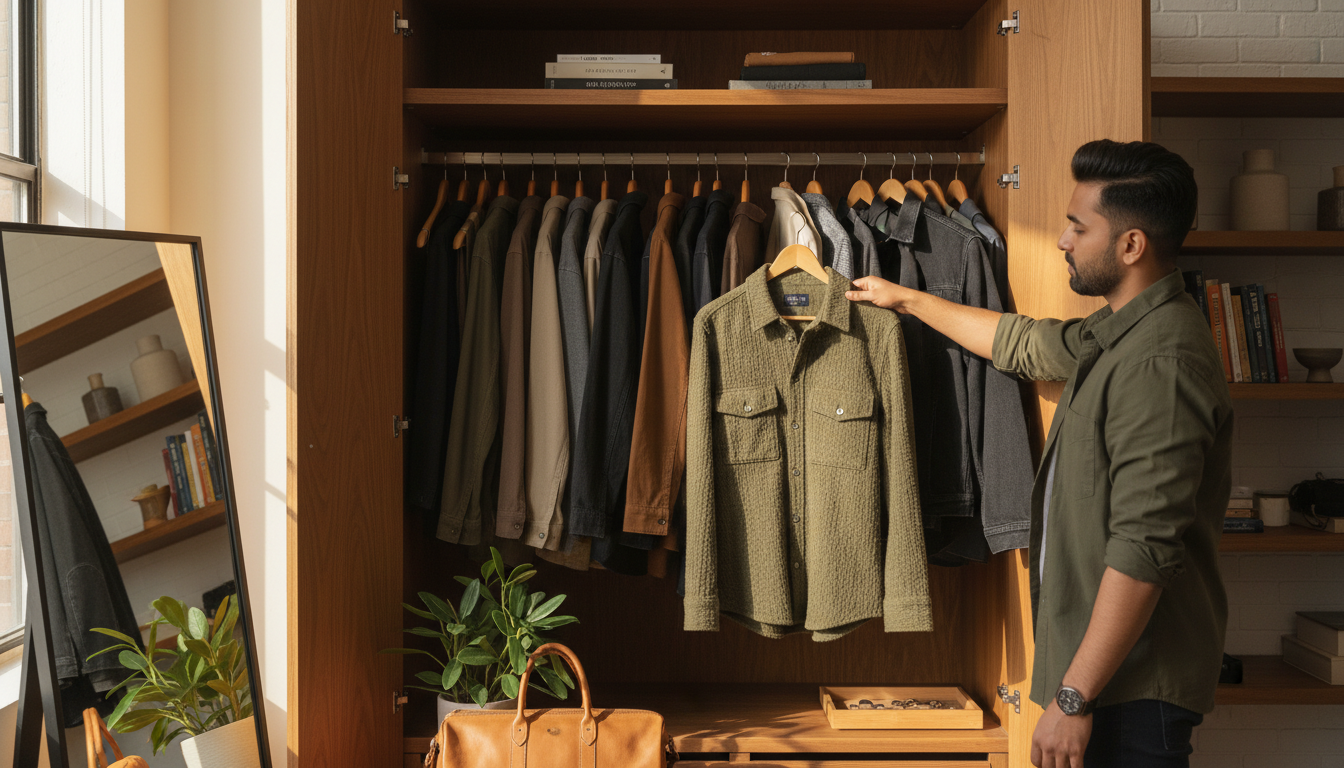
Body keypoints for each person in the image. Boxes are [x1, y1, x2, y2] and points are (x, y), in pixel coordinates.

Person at [846, 139, 1231, 768]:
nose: (1061, 240)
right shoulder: (1120, 332)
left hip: (1127, 692)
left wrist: (1072, 701)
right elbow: (1022, 343)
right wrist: (908, 298)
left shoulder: (1162, 363)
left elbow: (1144, 552)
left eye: (1079, 227)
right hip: (1103, 680)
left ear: (1130, 246)